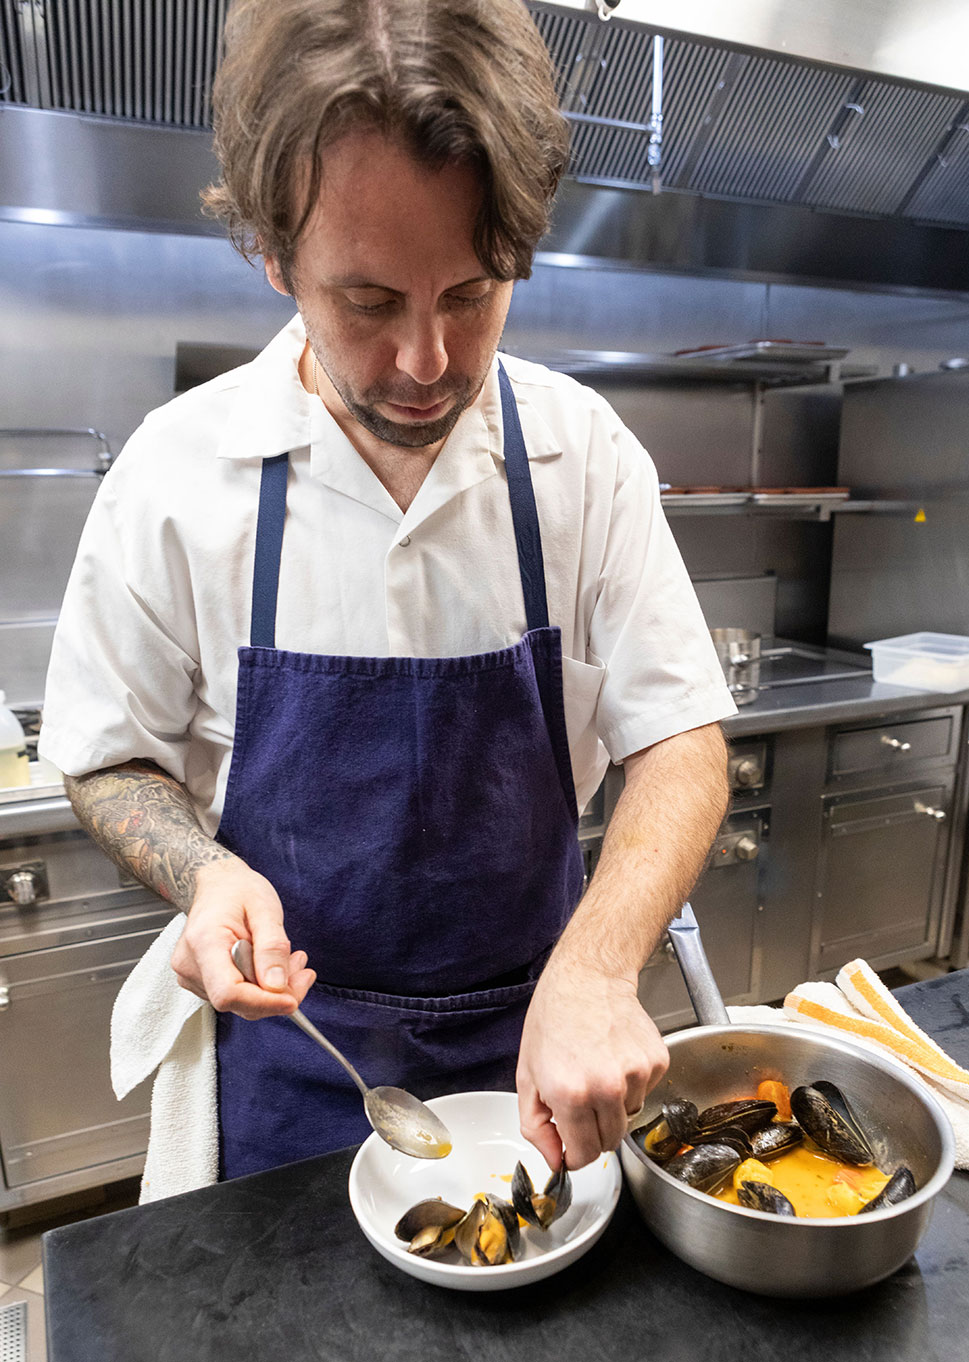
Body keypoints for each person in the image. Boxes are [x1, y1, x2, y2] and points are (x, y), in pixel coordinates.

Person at [39, 0, 735, 1190]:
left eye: (470, 294)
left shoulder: (582, 456)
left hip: (539, 1066)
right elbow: (105, 757)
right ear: (271, 250)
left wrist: (599, 962)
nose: (426, 364)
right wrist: (205, 876)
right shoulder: (178, 471)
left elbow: (681, 741)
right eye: (368, 301)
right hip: (287, 1072)